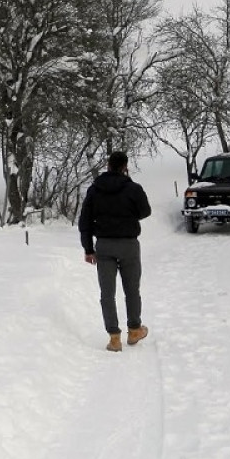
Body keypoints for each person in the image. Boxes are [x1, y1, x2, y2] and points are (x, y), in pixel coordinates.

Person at [78, 151, 152, 352]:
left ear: (108, 165)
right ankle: (135, 329)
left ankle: (114, 338)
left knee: (107, 294)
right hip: (128, 244)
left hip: (104, 245)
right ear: (125, 166)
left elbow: (84, 220)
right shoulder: (133, 188)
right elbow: (145, 211)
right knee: (131, 290)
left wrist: (88, 248)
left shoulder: (95, 189)